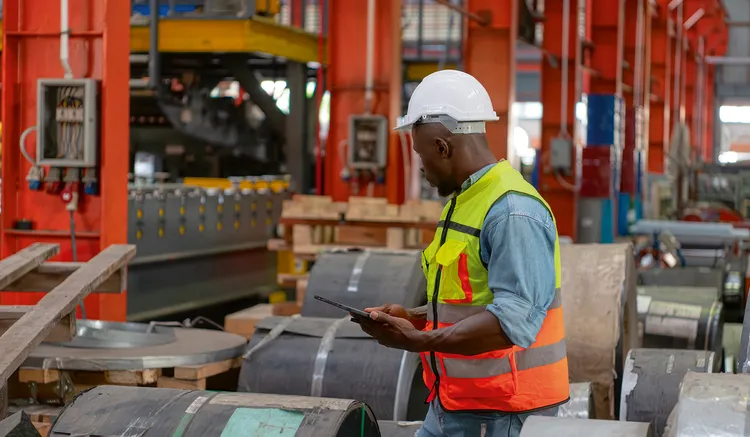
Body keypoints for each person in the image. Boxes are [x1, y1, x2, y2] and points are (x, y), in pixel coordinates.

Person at [353, 70, 569, 437]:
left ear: (443, 147)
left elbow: (510, 322)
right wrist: (417, 317)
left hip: (504, 415)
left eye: (422, 155)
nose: (421, 169)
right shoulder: (466, 201)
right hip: (455, 406)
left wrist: (418, 341)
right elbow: (472, 303)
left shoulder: (512, 211)